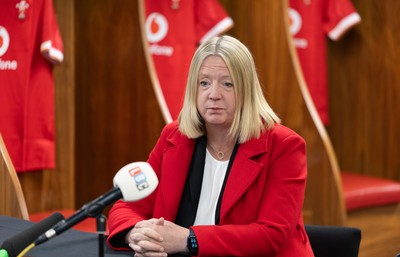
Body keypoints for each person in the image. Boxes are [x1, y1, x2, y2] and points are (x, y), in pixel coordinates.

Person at [106, 35, 315, 257]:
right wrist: (137, 235)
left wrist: (189, 239)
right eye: (204, 83)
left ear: (246, 90)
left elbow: (271, 234)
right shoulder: (174, 137)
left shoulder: (283, 145)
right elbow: (127, 207)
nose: (213, 95)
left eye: (227, 84)